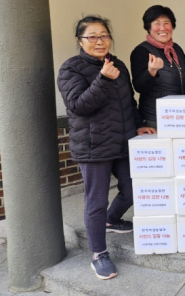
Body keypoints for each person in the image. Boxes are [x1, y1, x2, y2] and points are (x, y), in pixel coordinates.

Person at [57, 16, 155, 280]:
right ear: (80, 41)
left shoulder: (117, 65)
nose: (99, 41)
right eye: (92, 36)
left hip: (123, 141)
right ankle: (98, 253)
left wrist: (138, 126)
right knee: (96, 201)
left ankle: (111, 220)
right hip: (93, 146)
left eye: (104, 35)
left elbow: (128, 102)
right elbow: (78, 106)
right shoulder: (71, 69)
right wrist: (102, 79)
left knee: (132, 190)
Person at [130, 5, 185, 128]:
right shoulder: (141, 51)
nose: (162, 28)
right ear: (149, 27)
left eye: (166, 23)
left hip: (180, 117)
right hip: (155, 120)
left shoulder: (176, 49)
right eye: (157, 23)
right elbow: (138, 87)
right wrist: (151, 72)